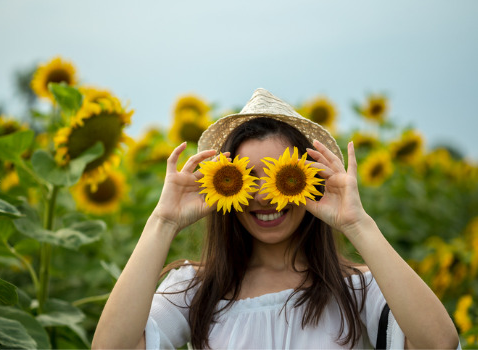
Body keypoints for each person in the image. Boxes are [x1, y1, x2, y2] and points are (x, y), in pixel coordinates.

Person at [92, 89, 459, 349]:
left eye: (282, 177)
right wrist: (163, 221)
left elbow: (439, 343)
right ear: (225, 185)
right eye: (247, 178)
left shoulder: (356, 289)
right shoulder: (196, 289)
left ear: (310, 181)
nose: (263, 195)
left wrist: (357, 223)